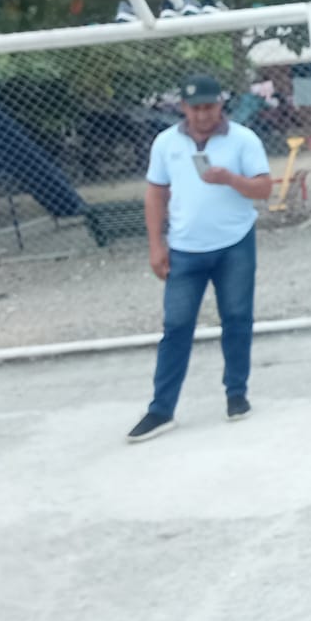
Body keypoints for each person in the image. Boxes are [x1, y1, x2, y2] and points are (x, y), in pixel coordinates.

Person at [127, 74, 273, 443]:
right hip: (185, 247)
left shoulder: (243, 139)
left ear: (220, 105)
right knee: (176, 326)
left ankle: (236, 394)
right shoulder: (166, 142)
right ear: (183, 107)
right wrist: (156, 245)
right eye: (195, 108)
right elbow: (156, 193)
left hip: (234, 243)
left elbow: (264, 188)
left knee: (237, 318)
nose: (203, 115)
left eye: (209, 107)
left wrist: (231, 180)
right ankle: (161, 409)